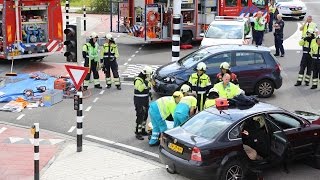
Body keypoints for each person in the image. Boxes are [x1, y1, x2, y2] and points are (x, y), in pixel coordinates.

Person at [133, 66, 154, 140]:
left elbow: (148, 87)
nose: (149, 76)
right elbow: (140, 89)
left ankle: (142, 130)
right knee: (140, 115)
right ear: (145, 74)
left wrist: (150, 93)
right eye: (148, 75)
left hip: (145, 99)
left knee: (145, 115)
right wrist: (146, 82)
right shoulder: (138, 80)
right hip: (139, 100)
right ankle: (138, 132)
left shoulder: (146, 80)